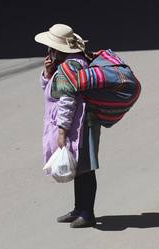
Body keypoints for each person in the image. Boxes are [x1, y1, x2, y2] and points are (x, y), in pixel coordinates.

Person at [34, 24, 101, 228]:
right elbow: (53, 91)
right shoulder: (64, 65)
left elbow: (67, 100)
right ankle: (78, 208)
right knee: (78, 167)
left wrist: (62, 131)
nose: (49, 52)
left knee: (85, 168)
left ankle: (87, 213)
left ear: (58, 49)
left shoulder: (70, 67)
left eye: (51, 48)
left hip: (81, 124)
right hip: (76, 123)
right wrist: (47, 74)